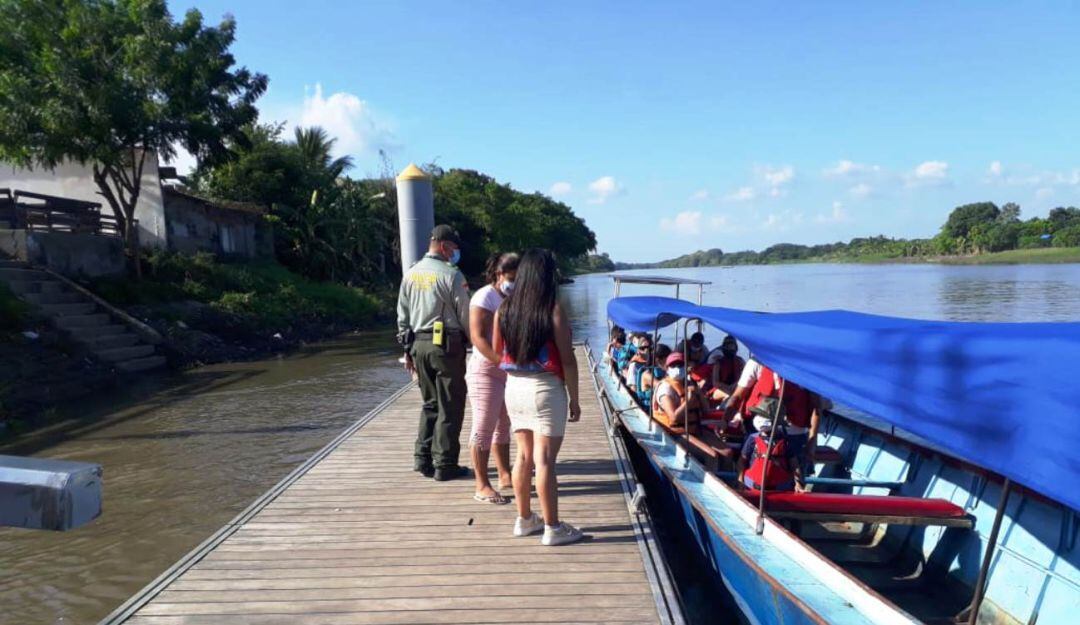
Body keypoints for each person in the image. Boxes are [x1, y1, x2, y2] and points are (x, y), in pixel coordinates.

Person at [493, 248, 583, 546]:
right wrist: (574, 398)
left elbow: (497, 350)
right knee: (544, 461)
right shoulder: (552, 308)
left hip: (514, 387)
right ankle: (553, 528)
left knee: (523, 456)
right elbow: (568, 359)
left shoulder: (504, 309)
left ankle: (524, 519)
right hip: (544, 388)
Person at [397, 225, 472, 481]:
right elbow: (465, 315)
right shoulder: (452, 275)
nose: (455, 253)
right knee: (450, 404)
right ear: (444, 246)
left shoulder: (411, 274)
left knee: (430, 403)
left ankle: (422, 458)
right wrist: (476, 344)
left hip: (418, 345)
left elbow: (402, 316)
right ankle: (446, 463)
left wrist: (406, 350)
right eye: (453, 249)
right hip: (446, 346)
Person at [466, 252, 519, 504]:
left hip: (507, 370)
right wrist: (502, 362)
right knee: (484, 426)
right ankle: (481, 484)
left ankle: (504, 473)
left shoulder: (512, 297)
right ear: (499, 274)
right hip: (486, 370)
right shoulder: (484, 297)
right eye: (511, 278)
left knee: (504, 424)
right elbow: (478, 337)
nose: (515, 283)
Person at [726, 357, 821, 466]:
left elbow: (816, 407)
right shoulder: (757, 362)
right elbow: (737, 396)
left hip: (794, 435)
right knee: (752, 468)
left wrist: (812, 441)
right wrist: (725, 419)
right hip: (760, 431)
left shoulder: (807, 368)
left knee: (793, 473)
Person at [738, 406, 805, 492]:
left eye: (764, 416)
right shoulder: (752, 438)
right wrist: (740, 480)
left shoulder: (786, 441)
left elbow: (794, 464)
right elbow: (742, 460)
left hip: (779, 488)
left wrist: (798, 483)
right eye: (759, 415)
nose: (759, 419)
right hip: (752, 485)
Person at [652, 351, 708, 431]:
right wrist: (688, 401)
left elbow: (706, 409)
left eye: (680, 365)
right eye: (673, 365)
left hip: (694, 428)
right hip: (674, 432)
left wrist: (699, 394)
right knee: (704, 444)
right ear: (667, 369)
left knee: (719, 443)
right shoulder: (665, 388)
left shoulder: (690, 383)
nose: (677, 368)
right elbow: (674, 418)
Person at [708, 335, 746, 401]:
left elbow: (745, 377)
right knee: (730, 394)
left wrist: (735, 385)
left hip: (736, 387)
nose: (730, 348)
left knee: (738, 393)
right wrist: (727, 388)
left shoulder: (740, 361)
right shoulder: (719, 363)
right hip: (720, 390)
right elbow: (715, 382)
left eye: (732, 346)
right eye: (728, 346)